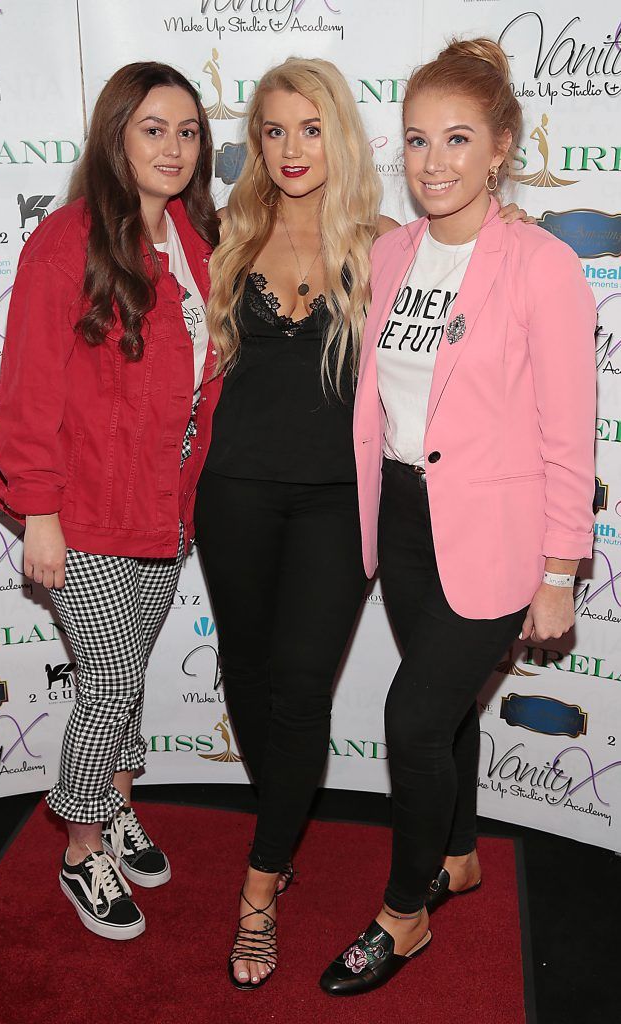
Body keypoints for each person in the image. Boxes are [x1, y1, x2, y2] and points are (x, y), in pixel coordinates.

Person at [196, 56, 531, 989]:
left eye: (311, 127)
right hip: (233, 492)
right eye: (273, 130)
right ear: (254, 144)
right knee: (246, 674)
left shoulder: (385, 242)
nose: (293, 148)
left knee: (303, 688)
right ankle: (285, 825)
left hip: (344, 504)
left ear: (339, 132)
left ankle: (261, 884)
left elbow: (472, 305)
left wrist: (515, 233)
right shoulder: (226, 231)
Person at [319, 38, 596, 996]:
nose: (433, 162)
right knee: (443, 717)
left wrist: (560, 572)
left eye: (458, 139)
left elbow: (571, 436)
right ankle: (463, 854)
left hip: (496, 537)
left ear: (501, 146)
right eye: (417, 140)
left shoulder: (544, 265)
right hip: (400, 518)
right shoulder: (391, 251)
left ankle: (404, 917)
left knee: (410, 714)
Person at [0, 62, 222, 940]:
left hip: (164, 508)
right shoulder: (70, 238)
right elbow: (29, 389)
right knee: (114, 677)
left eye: (188, 130)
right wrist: (37, 513)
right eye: (153, 128)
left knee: (116, 678)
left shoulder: (198, 241)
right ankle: (82, 845)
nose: (174, 146)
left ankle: (118, 803)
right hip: (79, 513)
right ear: (116, 134)